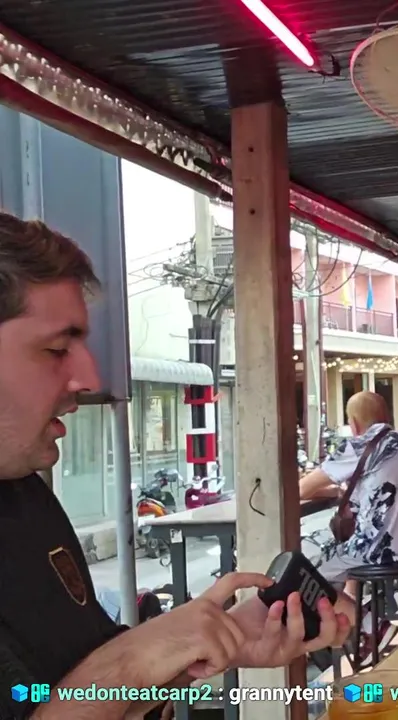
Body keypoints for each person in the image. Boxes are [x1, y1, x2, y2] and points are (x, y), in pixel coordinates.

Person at [0, 212, 351, 720]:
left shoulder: (23, 495)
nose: (89, 375)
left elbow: (77, 694)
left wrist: (215, 641)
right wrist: (127, 663)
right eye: (56, 348)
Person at [298, 391, 398, 660]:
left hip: (383, 550)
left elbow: (302, 489)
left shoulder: (357, 446)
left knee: (306, 577)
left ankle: (371, 628)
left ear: (354, 423)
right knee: (342, 553)